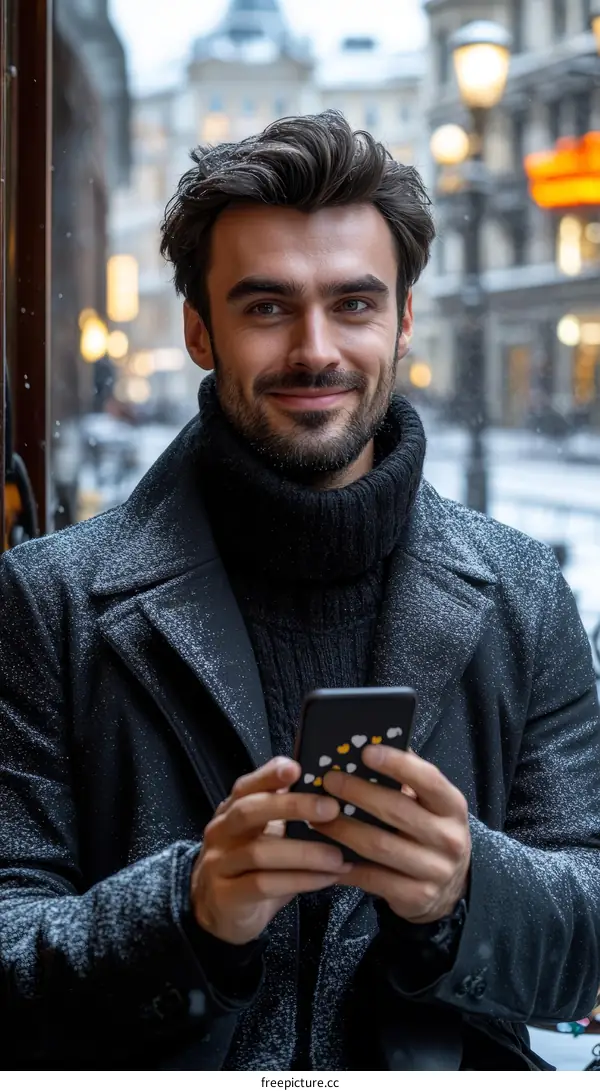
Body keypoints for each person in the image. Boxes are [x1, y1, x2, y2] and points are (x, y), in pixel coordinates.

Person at [1, 112, 599, 1072]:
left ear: (404, 320)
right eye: (267, 306)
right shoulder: (49, 601)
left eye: (354, 304)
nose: (315, 349)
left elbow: (589, 940)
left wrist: (466, 888)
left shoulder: (524, 594)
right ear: (201, 329)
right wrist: (187, 911)